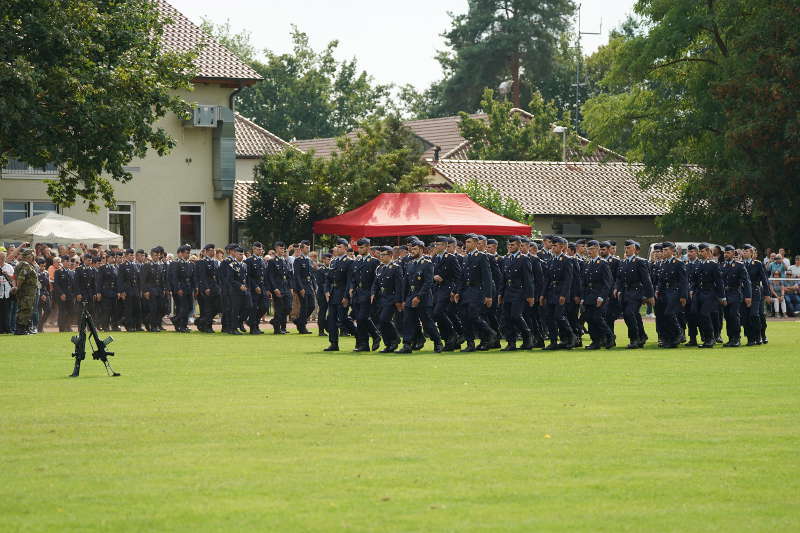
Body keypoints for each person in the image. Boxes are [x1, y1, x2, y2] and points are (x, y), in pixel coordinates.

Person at [396, 240, 442, 354]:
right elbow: (405, 283)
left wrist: (419, 297)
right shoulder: (410, 264)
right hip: (410, 297)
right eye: (412, 249)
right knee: (408, 321)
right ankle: (407, 344)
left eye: (415, 249)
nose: (412, 251)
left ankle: (437, 342)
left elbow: (428, 283)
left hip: (423, 298)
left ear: (421, 250)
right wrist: (403, 299)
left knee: (427, 323)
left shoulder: (427, 263)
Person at [454, 234, 496, 352]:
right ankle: (470, 343)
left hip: (477, 291)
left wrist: (488, 296)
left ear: (476, 243)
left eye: (469, 242)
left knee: (473, 316)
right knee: (464, 317)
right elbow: (462, 277)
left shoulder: (481, 256)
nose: (466, 244)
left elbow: (487, 277)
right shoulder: (466, 257)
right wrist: (458, 292)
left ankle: (490, 332)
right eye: (466, 242)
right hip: (465, 292)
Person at [616, 240, 654, 349]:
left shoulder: (639, 262)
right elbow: (619, 278)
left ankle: (634, 339)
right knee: (631, 316)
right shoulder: (623, 262)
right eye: (626, 248)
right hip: (625, 293)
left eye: (629, 248)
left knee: (629, 313)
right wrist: (617, 288)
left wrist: (650, 296)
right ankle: (642, 335)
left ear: (634, 249)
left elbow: (646, 280)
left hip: (636, 293)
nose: (627, 250)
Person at [540, 236, 576, 350]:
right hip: (551, 292)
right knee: (549, 317)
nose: (553, 247)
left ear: (562, 247)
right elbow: (547, 279)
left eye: (555, 246)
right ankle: (553, 341)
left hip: (560, 292)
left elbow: (568, 279)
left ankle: (571, 337)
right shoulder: (551, 260)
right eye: (552, 245)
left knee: (559, 316)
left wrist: (563, 295)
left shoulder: (567, 260)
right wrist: (542, 294)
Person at [499, 236, 534, 351]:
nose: (510, 247)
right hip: (508, 292)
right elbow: (504, 278)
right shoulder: (507, 258)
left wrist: (530, 296)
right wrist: (501, 293)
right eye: (509, 245)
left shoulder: (524, 259)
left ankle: (527, 337)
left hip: (519, 292)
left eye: (512, 245)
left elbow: (528, 279)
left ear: (519, 245)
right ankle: (511, 342)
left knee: (516, 316)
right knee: (507, 318)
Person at [581, 240, 614, 350]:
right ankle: (596, 341)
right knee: (590, 319)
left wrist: (602, 297)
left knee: (597, 318)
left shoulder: (603, 263)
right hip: (589, 296)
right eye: (588, 249)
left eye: (592, 249)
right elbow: (585, 283)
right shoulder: (588, 263)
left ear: (597, 249)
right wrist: (583, 297)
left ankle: (610, 337)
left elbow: (607, 282)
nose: (589, 251)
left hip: (599, 296)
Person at [348, 238, 380, 351]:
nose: (360, 250)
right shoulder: (356, 261)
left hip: (367, 293)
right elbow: (353, 277)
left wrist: (373, 293)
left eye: (362, 247)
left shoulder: (374, 261)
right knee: (360, 318)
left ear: (368, 247)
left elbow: (376, 280)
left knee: (362, 318)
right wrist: (351, 287)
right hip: (357, 293)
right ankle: (365, 344)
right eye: (359, 248)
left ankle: (375, 336)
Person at [371, 246, 403, 352]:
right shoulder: (379, 268)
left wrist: (398, 301)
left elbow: (399, 286)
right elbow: (375, 283)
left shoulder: (395, 267)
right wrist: (372, 293)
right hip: (381, 298)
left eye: (383, 255)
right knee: (381, 321)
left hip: (391, 298)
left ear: (390, 255)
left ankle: (395, 339)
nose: (381, 257)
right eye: (380, 254)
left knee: (384, 319)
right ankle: (388, 344)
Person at [324, 238, 353, 351]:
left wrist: (346, 296)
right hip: (333, 293)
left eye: (340, 247)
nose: (338, 249)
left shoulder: (349, 262)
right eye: (337, 247)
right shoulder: (334, 261)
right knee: (331, 319)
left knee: (343, 319)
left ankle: (358, 335)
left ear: (345, 248)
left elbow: (349, 281)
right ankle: (334, 343)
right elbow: (328, 278)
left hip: (342, 293)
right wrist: (326, 290)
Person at [720, 244, 752, 347]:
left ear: (733, 253)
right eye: (725, 252)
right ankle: (730, 338)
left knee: (734, 316)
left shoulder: (739, 265)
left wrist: (748, 296)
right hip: (725, 294)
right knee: (728, 317)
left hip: (735, 293)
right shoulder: (722, 265)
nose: (726, 254)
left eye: (728, 252)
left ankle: (736, 338)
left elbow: (746, 282)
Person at [12, 248, 40, 335]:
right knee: (25, 310)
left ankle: (25, 328)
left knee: (27, 309)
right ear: (29, 256)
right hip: (26, 292)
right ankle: (20, 329)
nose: (34, 257)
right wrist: (17, 287)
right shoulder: (25, 265)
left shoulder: (25, 264)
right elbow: (21, 277)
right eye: (32, 255)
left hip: (28, 292)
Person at [194, 244, 221, 333]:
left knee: (216, 307)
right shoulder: (202, 262)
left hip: (215, 288)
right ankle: (207, 326)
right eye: (210, 250)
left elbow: (217, 277)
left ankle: (200, 321)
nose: (212, 252)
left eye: (213, 250)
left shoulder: (216, 262)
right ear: (205, 251)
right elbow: (202, 276)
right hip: (206, 288)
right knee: (207, 308)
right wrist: (206, 288)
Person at [168, 244, 194, 333]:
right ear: (182, 253)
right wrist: (178, 288)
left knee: (190, 307)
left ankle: (176, 320)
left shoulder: (190, 264)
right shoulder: (176, 263)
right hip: (180, 289)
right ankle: (182, 326)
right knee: (183, 308)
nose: (188, 255)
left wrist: (194, 288)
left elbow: (191, 278)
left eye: (189, 253)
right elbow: (174, 278)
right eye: (187, 253)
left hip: (188, 288)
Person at [267, 241, 291, 334]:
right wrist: (274, 288)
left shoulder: (284, 260)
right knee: (279, 309)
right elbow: (270, 276)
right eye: (281, 248)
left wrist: (290, 287)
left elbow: (288, 275)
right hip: (278, 288)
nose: (283, 250)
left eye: (283, 248)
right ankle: (277, 329)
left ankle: (275, 322)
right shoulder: (272, 261)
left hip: (286, 287)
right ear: (276, 249)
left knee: (288, 308)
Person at [245, 242, 269, 335]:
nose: (260, 251)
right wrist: (255, 286)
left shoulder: (262, 260)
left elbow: (265, 275)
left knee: (265, 307)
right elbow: (248, 276)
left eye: (261, 249)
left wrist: (267, 288)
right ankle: (253, 327)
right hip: (254, 288)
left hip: (262, 287)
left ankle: (252, 322)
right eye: (258, 249)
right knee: (254, 308)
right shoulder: (249, 261)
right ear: (254, 249)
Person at [292, 240, 315, 335]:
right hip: (302, 287)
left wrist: (314, 286)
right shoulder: (298, 260)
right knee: (304, 306)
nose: (308, 249)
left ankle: (299, 321)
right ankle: (302, 327)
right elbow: (297, 275)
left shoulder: (309, 260)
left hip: (309, 286)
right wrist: (301, 288)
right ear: (301, 249)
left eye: (309, 247)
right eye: (306, 247)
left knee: (312, 306)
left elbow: (311, 274)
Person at [0, 251, 16, 334]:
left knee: (7, 311)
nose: (1, 259)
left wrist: (13, 287)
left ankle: (7, 328)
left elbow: (13, 278)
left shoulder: (9, 267)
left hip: (7, 292)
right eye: (0, 257)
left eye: (3, 257)